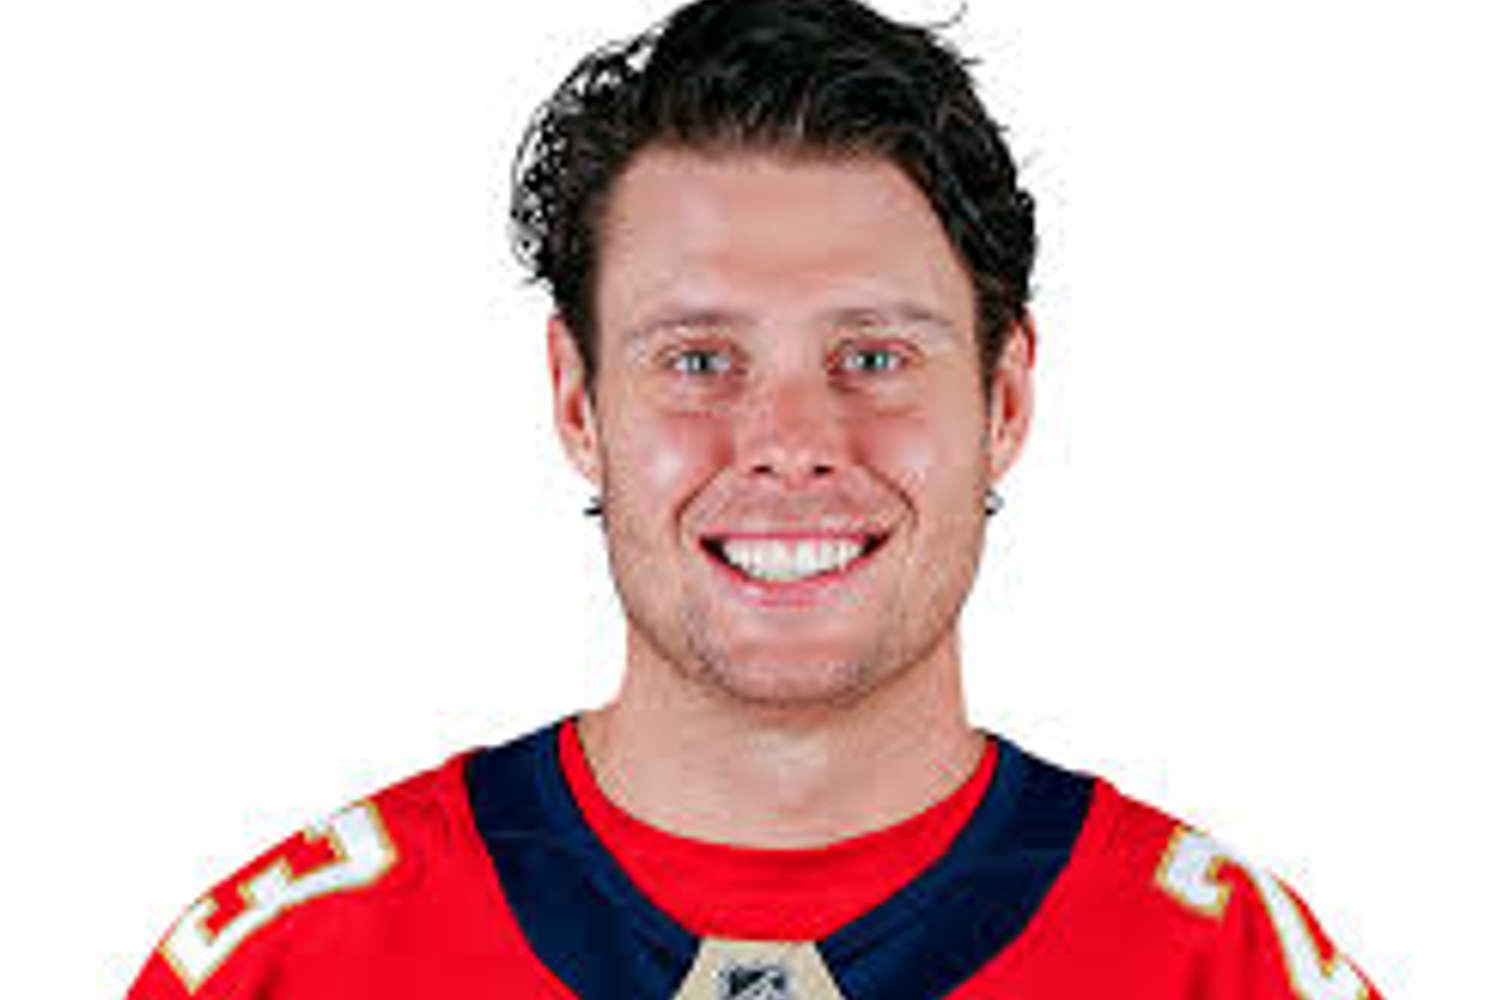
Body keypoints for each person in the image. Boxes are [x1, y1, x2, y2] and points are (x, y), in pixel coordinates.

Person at [126, 0, 1382, 996]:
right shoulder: (292, 966)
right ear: (578, 402)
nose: (790, 443)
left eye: (873, 357)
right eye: (698, 361)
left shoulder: (1225, 969)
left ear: (1004, 400)